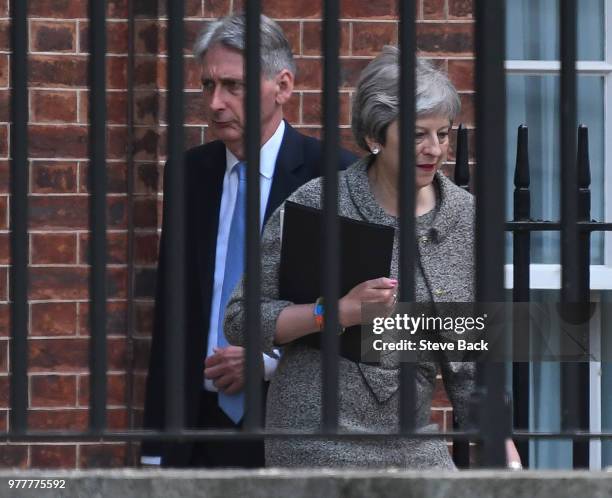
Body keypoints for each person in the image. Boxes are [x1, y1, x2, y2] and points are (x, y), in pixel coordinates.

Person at [225, 46, 521, 468]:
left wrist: (503, 452)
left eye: (442, 133)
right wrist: (338, 311)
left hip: (412, 440)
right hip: (312, 437)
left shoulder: (466, 219)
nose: (435, 149)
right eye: (418, 134)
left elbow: (469, 360)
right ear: (373, 137)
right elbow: (240, 319)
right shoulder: (317, 204)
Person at [141, 14, 356, 468]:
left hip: (293, 425)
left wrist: (269, 359)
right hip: (196, 424)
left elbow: (358, 314)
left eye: (233, 86)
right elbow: (172, 311)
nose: (215, 103)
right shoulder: (188, 173)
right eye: (207, 85)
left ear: (282, 86)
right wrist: (155, 450)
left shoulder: (335, 175)